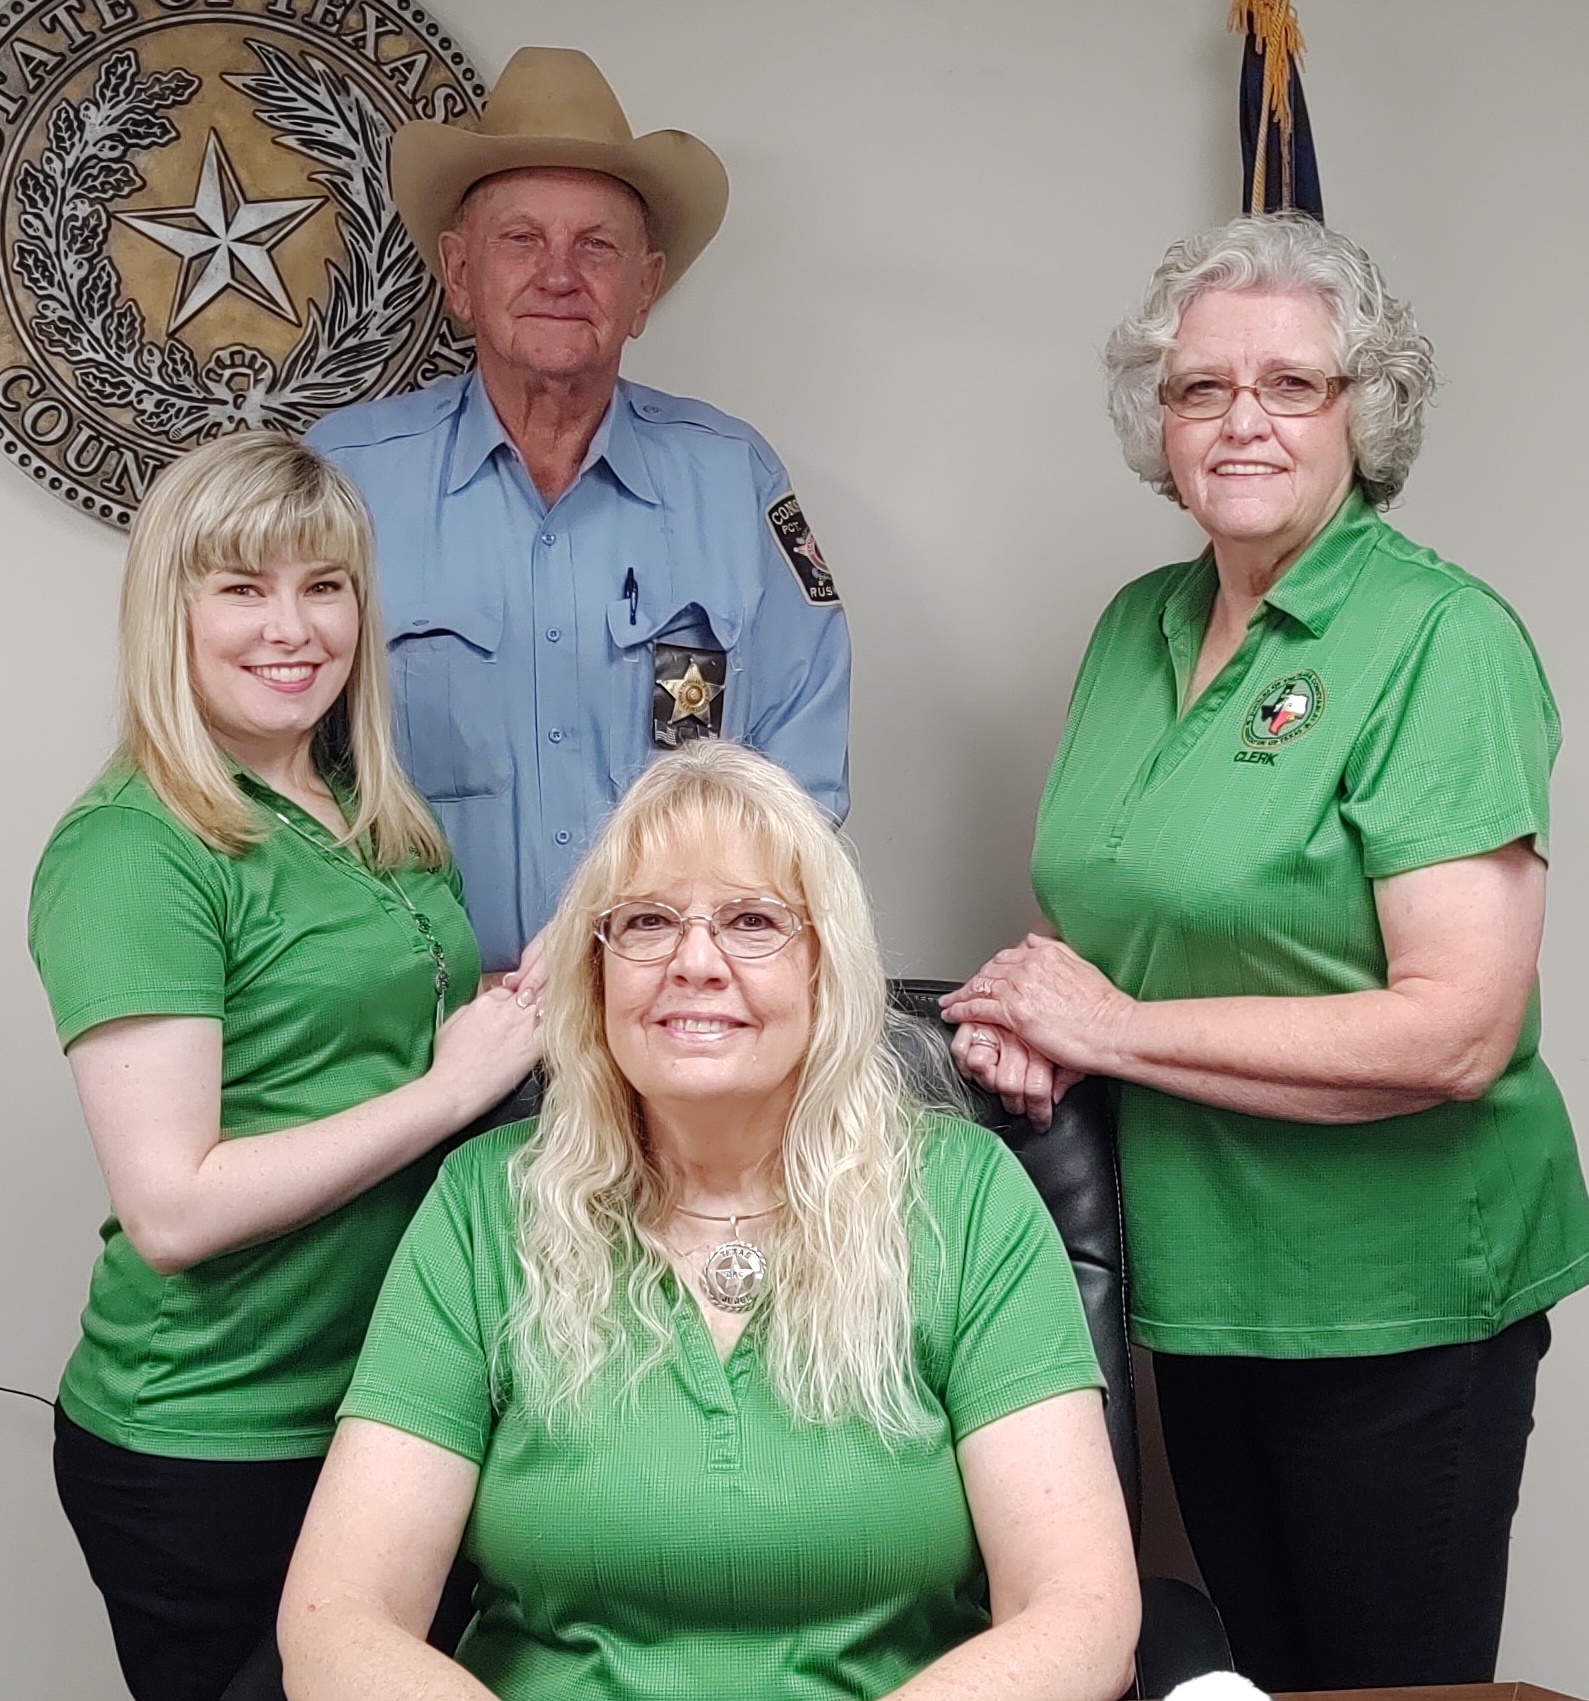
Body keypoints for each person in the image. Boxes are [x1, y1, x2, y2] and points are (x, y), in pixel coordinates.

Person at [941, 213, 1589, 1693]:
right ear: (1156, 420)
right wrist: (1036, 1020)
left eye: (1291, 384)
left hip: (1394, 1299)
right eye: (1199, 388)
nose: (1241, 421)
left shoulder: (1439, 639)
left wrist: (1107, 1029)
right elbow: (1135, 916)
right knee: (1254, 1686)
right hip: (1198, 1279)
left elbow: (1454, 1031)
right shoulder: (1137, 627)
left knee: (1379, 1694)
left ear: (1367, 412)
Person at [277, 741, 1139, 1701]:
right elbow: (337, 1618)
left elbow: (1081, 1612)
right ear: (595, 972)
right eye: (646, 921)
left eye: (751, 921)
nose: (694, 962)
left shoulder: (963, 1198)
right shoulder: (487, 1205)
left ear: (823, 970)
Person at [28, 434, 543, 1701]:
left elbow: (355, 1035)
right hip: (215, 1433)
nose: (292, 628)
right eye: (243, 588)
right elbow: (174, 1207)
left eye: (324, 586)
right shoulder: (134, 852)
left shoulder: (370, 811)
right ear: (172, 610)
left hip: (389, 1404)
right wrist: (449, 1088)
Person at [306, 46, 851, 977]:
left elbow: (798, 781)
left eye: (596, 246)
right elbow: (265, 761)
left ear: (644, 288)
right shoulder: (344, 480)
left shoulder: (734, 480)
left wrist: (682, 956)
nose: (558, 274)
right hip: (413, 1017)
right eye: (521, 240)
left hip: (666, 1005)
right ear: (458, 275)